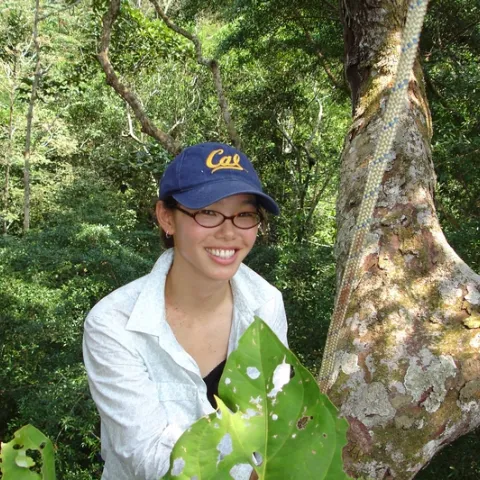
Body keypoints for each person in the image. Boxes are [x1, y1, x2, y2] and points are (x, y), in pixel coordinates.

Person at [83, 142, 288, 480]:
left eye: (245, 214)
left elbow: (274, 414)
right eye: (207, 211)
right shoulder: (114, 324)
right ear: (167, 218)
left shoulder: (265, 304)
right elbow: (147, 455)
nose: (229, 230)